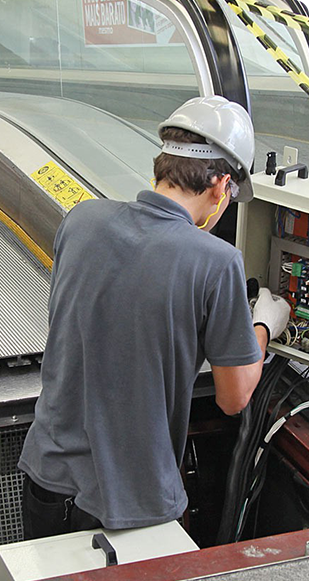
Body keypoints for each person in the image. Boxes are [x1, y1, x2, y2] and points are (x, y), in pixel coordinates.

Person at [18, 95, 291, 540]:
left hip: (47, 478)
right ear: (221, 185)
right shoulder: (216, 261)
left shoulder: (81, 219)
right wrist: (263, 323)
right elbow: (234, 397)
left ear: (162, 165)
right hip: (130, 504)